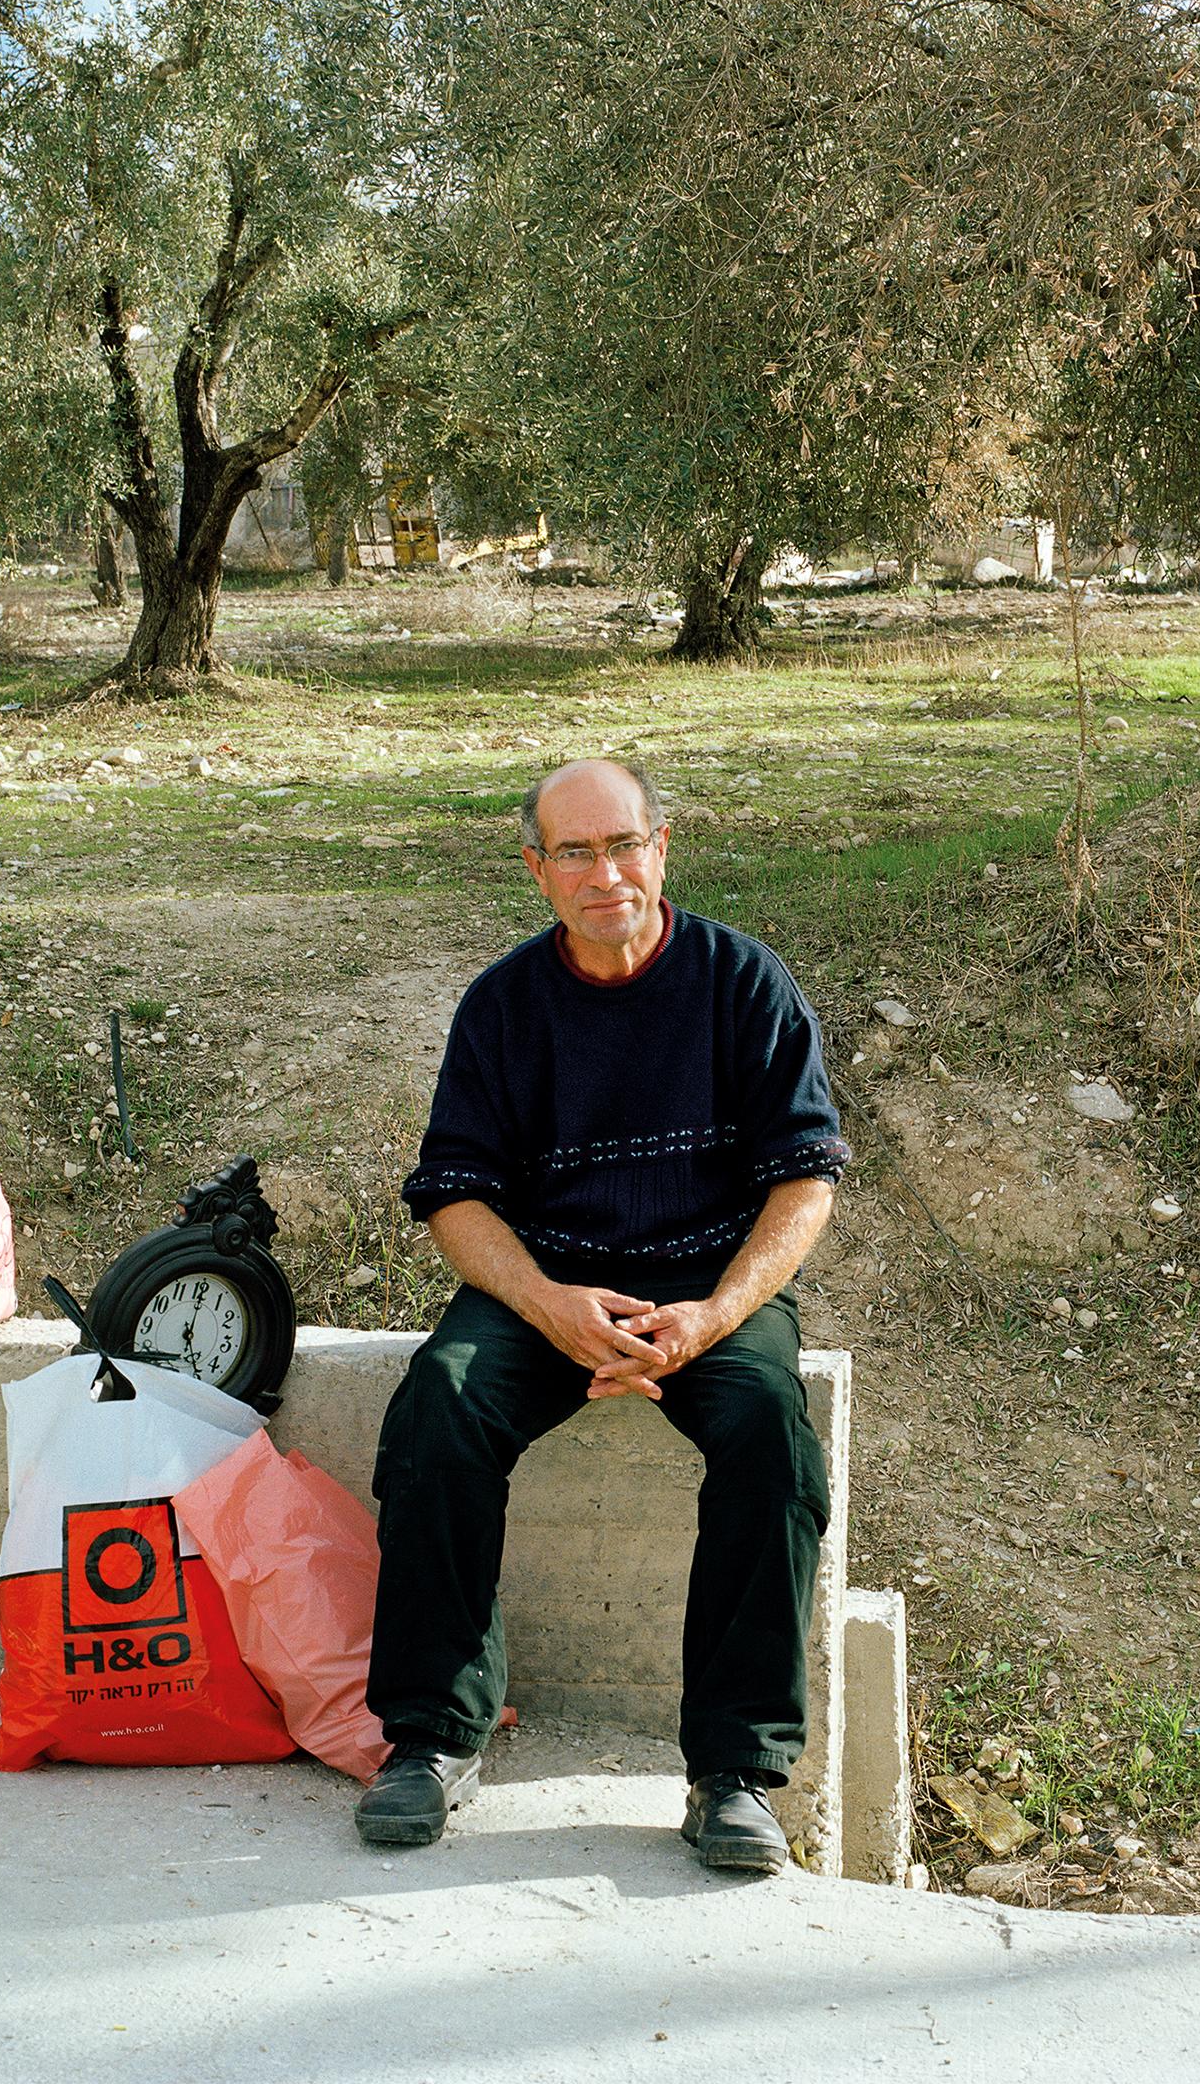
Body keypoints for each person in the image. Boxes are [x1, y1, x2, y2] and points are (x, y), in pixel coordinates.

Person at [358, 757, 848, 1872]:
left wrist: (716, 1315)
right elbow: (457, 1195)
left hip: (706, 1293)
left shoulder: (743, 982)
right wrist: (546, 1303)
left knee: (771, 1440)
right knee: (438, 1412)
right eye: (574, 851)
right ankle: (431, 1741)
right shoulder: (504, 1006)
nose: (604, 872)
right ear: (537, 871)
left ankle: (735, 1774)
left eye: (623, 844)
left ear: (661, 848)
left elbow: (805, 1180)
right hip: (549, 1288)